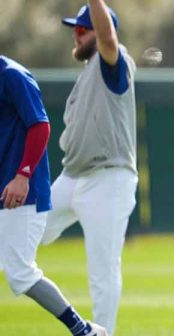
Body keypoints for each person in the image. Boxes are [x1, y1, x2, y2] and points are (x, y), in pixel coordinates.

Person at [40, 0, 138, 335]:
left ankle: (104, 332)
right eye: (76, 29)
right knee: (20, 232)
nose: (76, 34)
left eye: (82, 29)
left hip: (108, 180)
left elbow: (109, 39)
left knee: (102, 269)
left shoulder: (113, 63)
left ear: (98, 31)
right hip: (73, 177)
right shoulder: (86, 74)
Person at [0, 55, 108, 336]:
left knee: (21, 274)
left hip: (22, 195)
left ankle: (83, 330)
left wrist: (23, 175)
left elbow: (40, 126)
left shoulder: (12, 75)